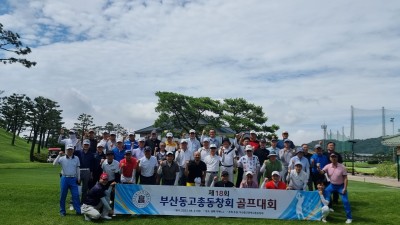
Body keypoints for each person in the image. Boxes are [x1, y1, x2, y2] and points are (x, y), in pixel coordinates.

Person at [319, 153, 353, 224]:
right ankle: (323, 215)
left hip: (341, 186)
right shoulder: (328, 166)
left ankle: (349, 218)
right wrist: (319, 168)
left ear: (337, 158)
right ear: (330, 158)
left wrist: (344, 188)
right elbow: (322, 172)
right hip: (331, 185)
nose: (333, 158)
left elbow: (345, 178)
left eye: (335, 157)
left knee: (345, 201)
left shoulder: (342, 167)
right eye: (332, 157)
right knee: (323, 196)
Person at [53, 144, 81, 216]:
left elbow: (78, 168)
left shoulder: (76, 158)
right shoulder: (62, 158)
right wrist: (59, 155)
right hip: (64, 178)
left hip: (73, 178)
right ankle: (62, 211)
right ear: (66, 150)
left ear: (73, 150)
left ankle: (78, 210)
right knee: (63, 195)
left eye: (71, 149)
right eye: (68, 149)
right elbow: (54, 164)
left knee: (76, 195)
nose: (70, 151)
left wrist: (79, 178)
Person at [75, 139, 95, 203]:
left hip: (87, 171)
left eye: (87, 145)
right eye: (85, 144)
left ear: (89, 145)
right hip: (79, 171)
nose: (86, 146)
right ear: (82, 145)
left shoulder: (91, 154)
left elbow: (92, 165)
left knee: (85, 188)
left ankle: (82, 202)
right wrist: (76, 143)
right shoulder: (78, 152)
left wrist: (91, 174)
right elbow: (71, 151)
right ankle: (74, 202)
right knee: (77, 187)